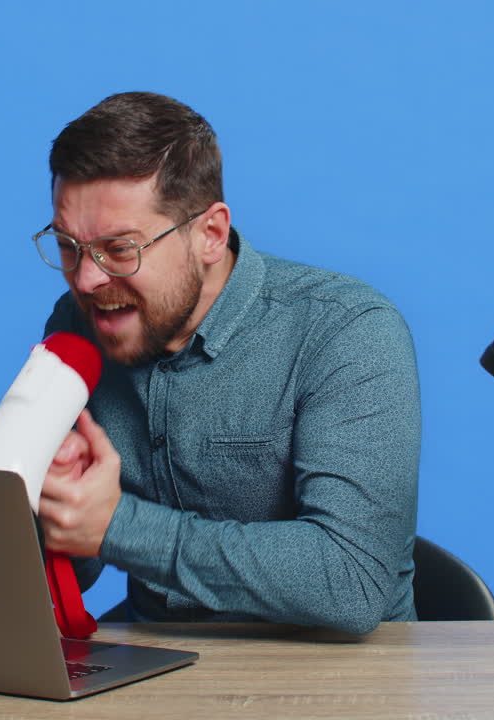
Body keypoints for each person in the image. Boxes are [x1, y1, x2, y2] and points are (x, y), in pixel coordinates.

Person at [34, 92, 420, 634]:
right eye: (68, 245)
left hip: (337, 682)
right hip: (157, 667)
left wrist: (118, 526)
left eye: (120, 249)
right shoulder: (79, 325)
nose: (87, 279)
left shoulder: (347, 331)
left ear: (209, 235)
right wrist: (33, 506)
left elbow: (352, 581)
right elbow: (74, 559)